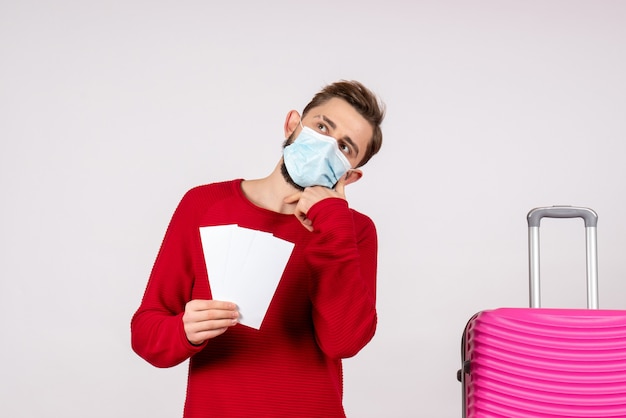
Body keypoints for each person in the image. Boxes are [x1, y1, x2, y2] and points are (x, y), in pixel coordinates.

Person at [131, 80, 385, 417]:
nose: (326, 146)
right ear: (293, 124)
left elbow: (344, 341)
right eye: (322, 126)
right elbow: (146, 331)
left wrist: (333, 224)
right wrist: (183, 331)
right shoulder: (203, 204)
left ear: (350, 176)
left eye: (345, 148)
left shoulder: (355, 231)